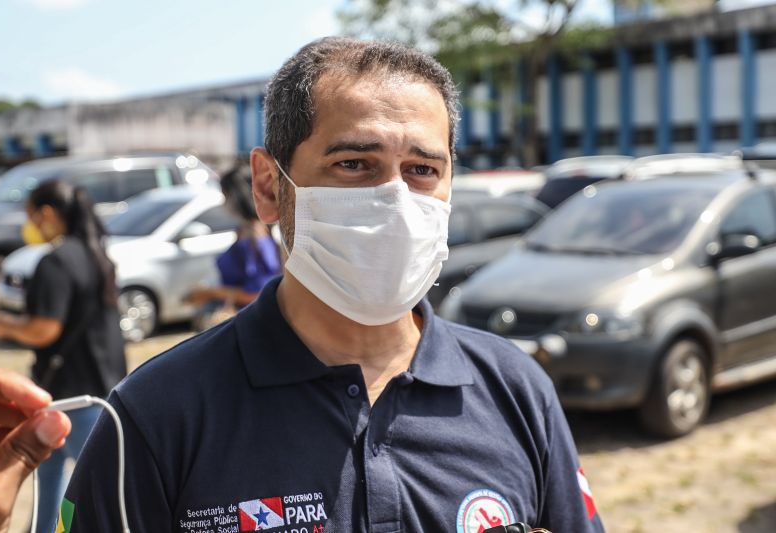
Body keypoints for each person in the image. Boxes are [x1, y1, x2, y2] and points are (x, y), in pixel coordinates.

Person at [61, 38, 604, 532]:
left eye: (421, 170)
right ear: (270, 186)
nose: (394, 198)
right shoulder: (159, 411)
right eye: (353, 164)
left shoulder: (515, 390)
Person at [0, 180, 127, 533]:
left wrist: (6, 325)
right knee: (91, 490)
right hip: (103, 391)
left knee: (60, 491)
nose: (31, 226)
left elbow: (44, 330)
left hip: (66, 398)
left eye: (32, 217)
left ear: (47, 214)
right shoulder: (99, 255)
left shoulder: (56, 262)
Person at [185, 159, 281, 327]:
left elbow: (259, 292)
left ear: (237, 197)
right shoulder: (252, 232)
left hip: (251, 324)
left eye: (225, 197)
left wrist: (210, 293)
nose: (223, 204)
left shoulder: (255, 236)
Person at [0, 364, 71, 533]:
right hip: (68, 394)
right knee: (72, 482)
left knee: (70, 482)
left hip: (74, 393)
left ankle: (58, 528)